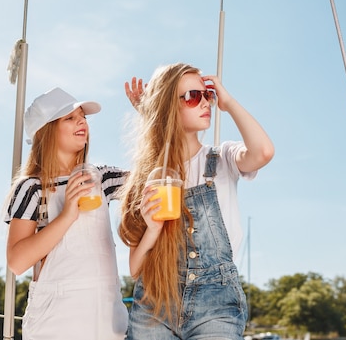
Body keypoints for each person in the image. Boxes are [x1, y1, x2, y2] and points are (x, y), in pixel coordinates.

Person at [118, 62, 275, 339]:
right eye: (192, 96)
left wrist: (228, 102)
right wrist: (153, 229)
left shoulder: (223, 158)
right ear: (169, 106)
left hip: (217, 305)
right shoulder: (147, 177)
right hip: (155, 302)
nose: (204, 102)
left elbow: (263, 151)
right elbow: (135, 269)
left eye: (207, 95)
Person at [3, 87, 128, 340]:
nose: (81, 121)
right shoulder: (32, 187)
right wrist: (67, 215)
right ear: (45, 132)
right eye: (69, 118)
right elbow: (17, 261)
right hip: (55, 321)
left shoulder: (101, 178)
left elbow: (155, 177)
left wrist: (148, 113)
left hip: (106, 317)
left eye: (82, 116)